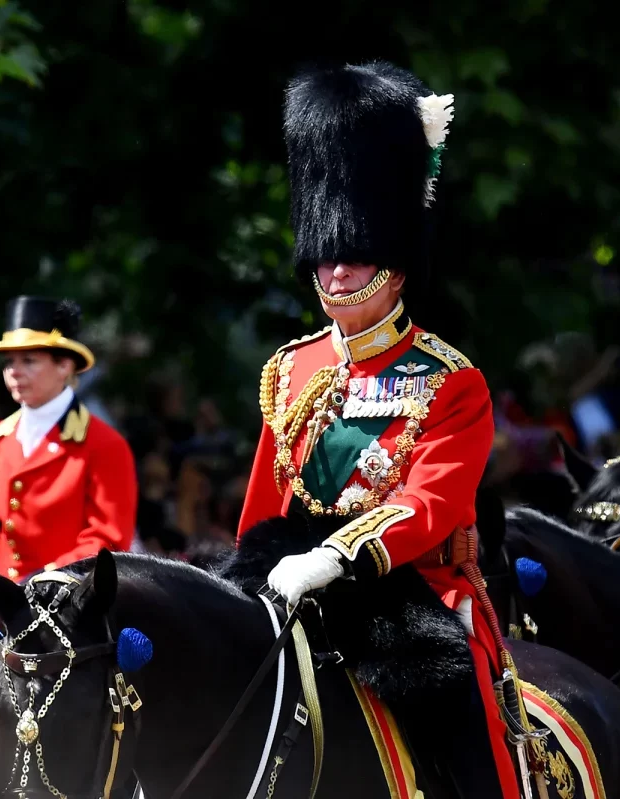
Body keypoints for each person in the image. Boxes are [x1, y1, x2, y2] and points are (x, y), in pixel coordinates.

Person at [237, 62, 519, 799]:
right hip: (291, 583)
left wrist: (337, 556)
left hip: (408, 590)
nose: (334, 271)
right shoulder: (290, 369)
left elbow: (430, 505)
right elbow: (264, 506)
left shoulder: (450, 378)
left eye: (353, 253)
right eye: (325, 255)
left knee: (458, 725)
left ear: (393, 260)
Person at [0, 296, 137, 581]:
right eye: (9, 362)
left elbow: (108, 540)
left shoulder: (105, 445)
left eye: (28, 360)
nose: (14, 371)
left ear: (65, 366)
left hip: (61, 603)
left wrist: (43, 580)